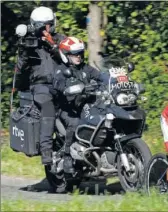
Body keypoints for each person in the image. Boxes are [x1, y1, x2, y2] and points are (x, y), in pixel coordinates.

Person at [15, 6, 66, 165]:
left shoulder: (60, 39)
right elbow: (20, 70)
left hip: (63, 84)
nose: (47, 28)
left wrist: (53, 45)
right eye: (44, 26)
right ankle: (46, 152)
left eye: (49, 24)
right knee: (48, 107)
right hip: (41, 87)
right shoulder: (30, 43)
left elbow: (69, 58)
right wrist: (23, 51)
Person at [53, 36, 109, 173]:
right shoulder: (61, 70)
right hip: (67, 109)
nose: (78, 56)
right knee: (75, 123)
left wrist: (111, 80)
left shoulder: (86, 68)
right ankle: (67, 156)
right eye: (74, 54)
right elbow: (59, 84)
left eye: (80, 53)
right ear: (66, 55)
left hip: (86, 107)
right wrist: (69, 88)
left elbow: (100, 76)